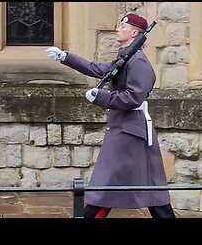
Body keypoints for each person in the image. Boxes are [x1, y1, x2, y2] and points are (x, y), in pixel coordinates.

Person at [46, 13, 175, 218]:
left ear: (134, 32)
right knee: (139, 190)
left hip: (130, 133)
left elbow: (133, 97)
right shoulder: (126, 58)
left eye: (123, 26)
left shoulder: (138, 61)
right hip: (126, 130)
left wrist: (101, 97)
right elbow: (97, 69)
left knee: (107, 186)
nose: (118, 29)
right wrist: (65, 57)